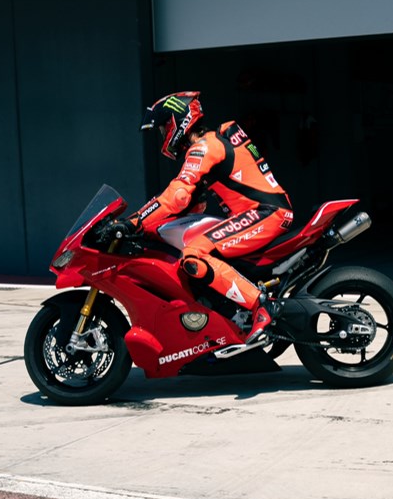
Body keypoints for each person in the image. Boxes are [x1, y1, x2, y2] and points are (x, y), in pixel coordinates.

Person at [103, 91, 293, 345]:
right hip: (261, 213)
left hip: (264, 214)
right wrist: (147, 225)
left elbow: (177, 195)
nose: (162, 135)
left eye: (163, 128)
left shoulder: (204, 147)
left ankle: (263, 308)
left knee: (194, 255)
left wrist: (132, 223)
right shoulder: (212, 143)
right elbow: (193, 203)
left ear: (177, 122)